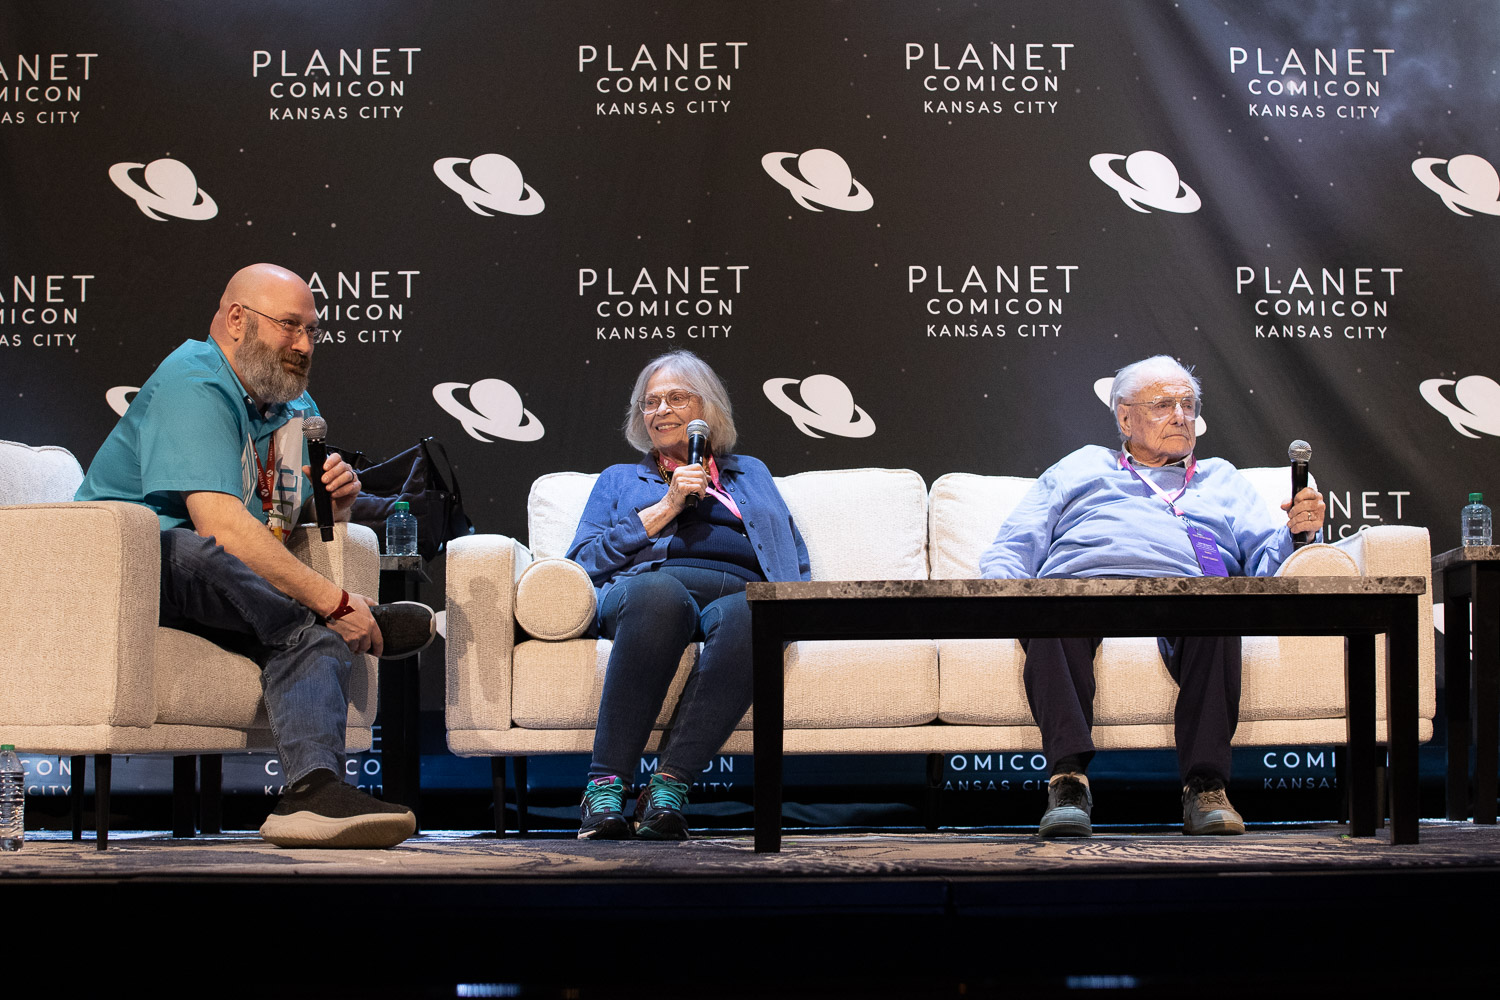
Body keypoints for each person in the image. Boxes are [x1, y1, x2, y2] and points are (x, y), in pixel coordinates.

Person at [75, 263, 434, 849]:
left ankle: (311, 794)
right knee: (208, 553)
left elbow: (274, 527)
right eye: (289, 326)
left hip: (220, 579)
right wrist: (336, 600)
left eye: (312, 331)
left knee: (310, 636)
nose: (304, 345)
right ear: (237, 319)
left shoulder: (292, 405)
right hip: (127, 567)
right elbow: (221, 525)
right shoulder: (194, 380)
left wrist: (334, 506)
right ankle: (337, 616)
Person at [979, 355, 1326, 838]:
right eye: (1163, 405)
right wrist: (1012, 601)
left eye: (1188, 404)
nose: (1181, 415)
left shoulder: (1220, 478)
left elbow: (1264, 565)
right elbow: (1014, 546)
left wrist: (1296, 534)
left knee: (1218, 609)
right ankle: (1068, 783)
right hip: (1082, 586)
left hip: (1188, 592)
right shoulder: (1082, 465)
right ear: (1124, 417)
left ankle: (1206, 787)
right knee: (1050, 612)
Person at [566, 350, 810, 840]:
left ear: (707, 410)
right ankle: (605, 786)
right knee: (660, 594)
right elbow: (582, 560)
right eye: (649, 402)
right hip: (647, 587)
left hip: (737, 592)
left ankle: (668, 789)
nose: (661, 410)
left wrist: (792, 604)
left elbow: (791, 551)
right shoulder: (620, 478)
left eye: (676, 398)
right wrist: (668, 505)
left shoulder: (751, 473)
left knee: (756, 616)